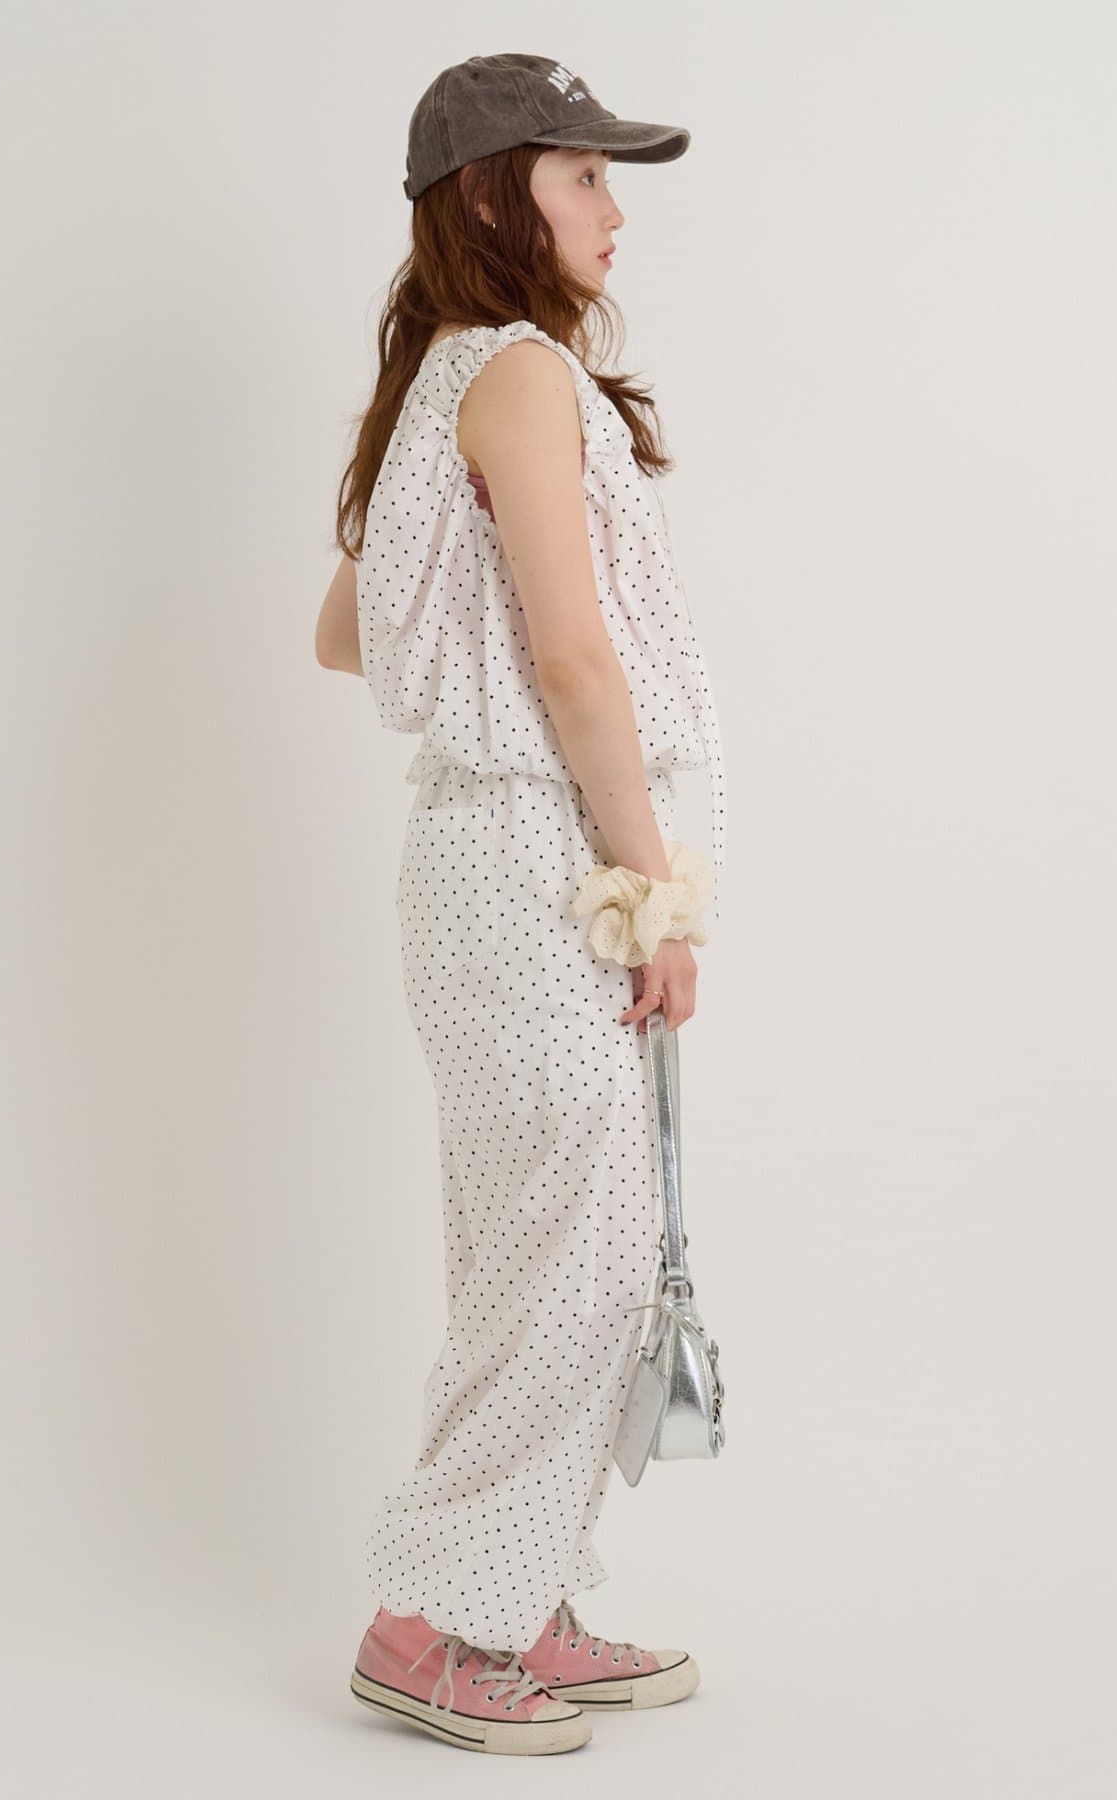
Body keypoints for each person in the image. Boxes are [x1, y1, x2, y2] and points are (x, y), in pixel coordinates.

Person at [314, 53, 726, 1755]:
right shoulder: (522, 377)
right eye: (584, 177)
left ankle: (515, 1594)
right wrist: (653, 894)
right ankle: (429, 1623)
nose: (616, 210)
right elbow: (572, 660)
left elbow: (346, 631)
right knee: (578, 1257)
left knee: (537, 1252)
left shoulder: (445, 379)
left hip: (479, 866)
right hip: (542, 868)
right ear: (496, 196)